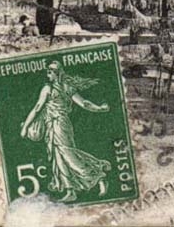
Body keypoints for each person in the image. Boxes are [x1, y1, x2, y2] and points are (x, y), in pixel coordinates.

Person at [20, 61, 111, 202]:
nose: (47, 74)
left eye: (50, 72)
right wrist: (99, 108)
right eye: (47, 72)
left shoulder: (49, 89)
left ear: (56, 74)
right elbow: (84, 103)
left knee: (68, 154)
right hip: (54, 125)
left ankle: (98, 177)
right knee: (59, 157)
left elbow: (38, 108)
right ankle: (70, 191)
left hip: (60, 125)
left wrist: (26, 126)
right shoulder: (64, 87)